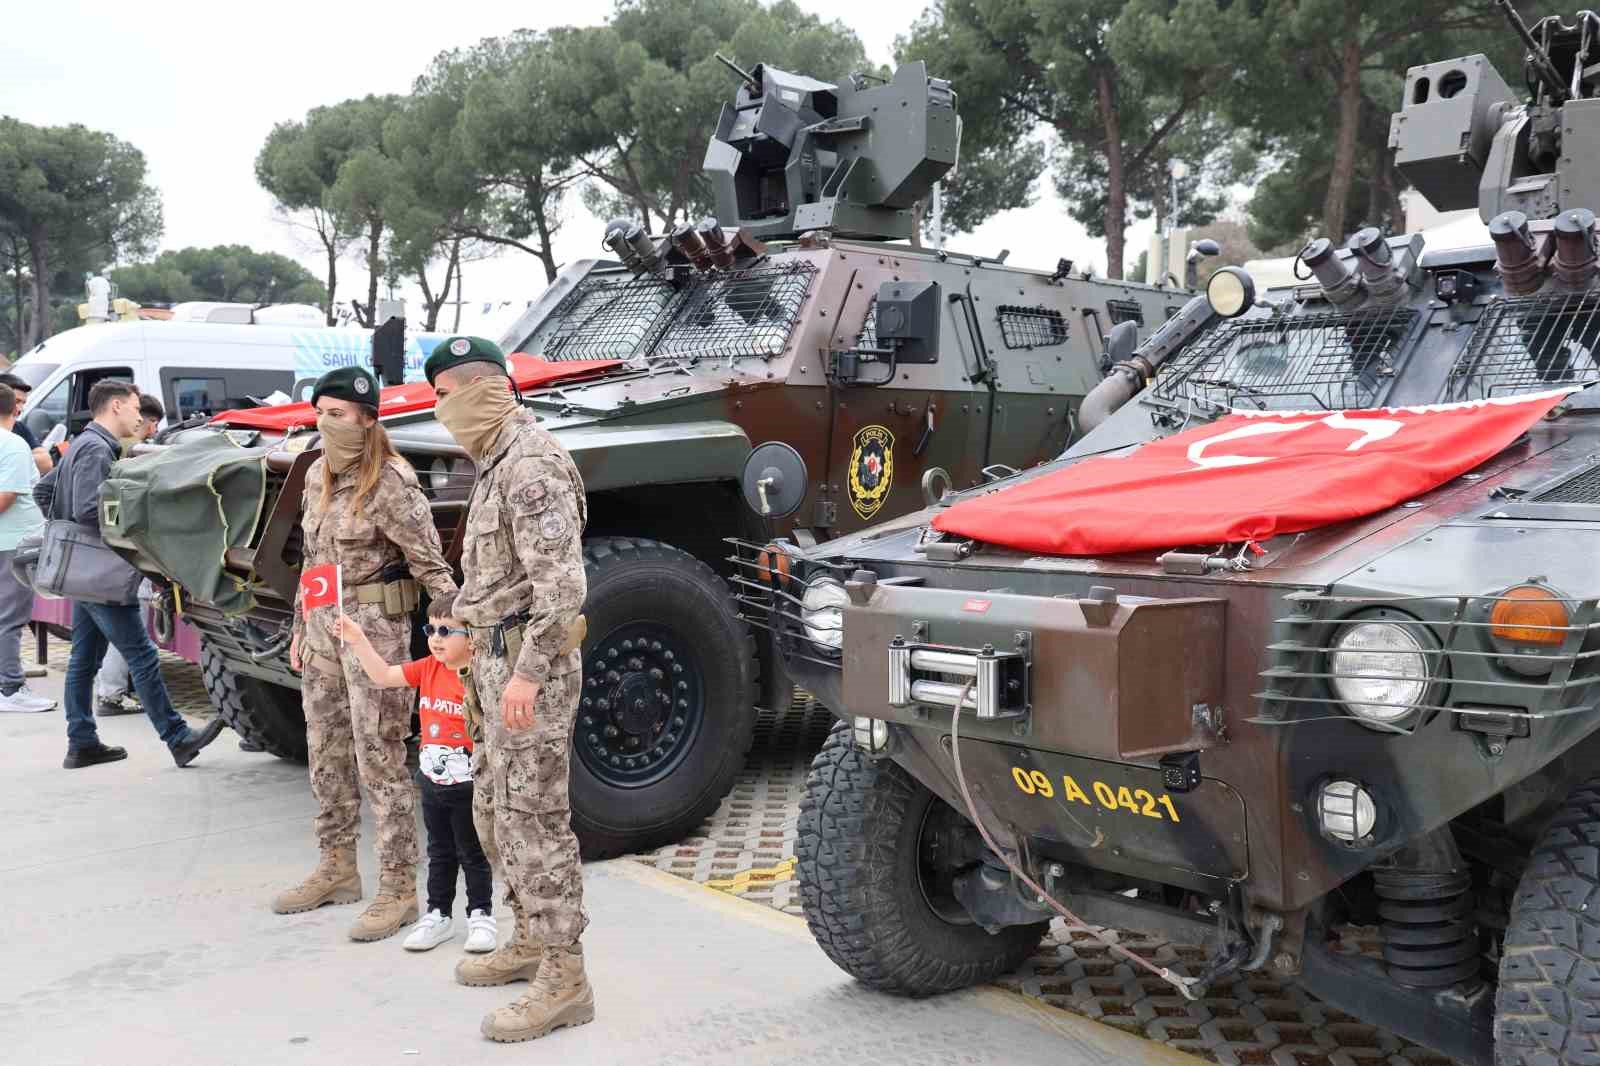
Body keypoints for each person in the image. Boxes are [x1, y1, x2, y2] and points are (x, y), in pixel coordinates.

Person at [427, 336, 593, 1044]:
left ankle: (565, 977)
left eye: (444, 395)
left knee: (534, 821)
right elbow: (501, 579)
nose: (440, 410)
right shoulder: (496, 460)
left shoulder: (531, 465)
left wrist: (526, 673)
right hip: (494, 664)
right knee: (496, 812)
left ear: (480, 389)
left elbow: (562, 588)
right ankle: (528, 938)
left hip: (532, 672)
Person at [270, 365, 457, 943]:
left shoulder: (392, 481)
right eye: (318, 414)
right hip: (323, 629)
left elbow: (430, 565)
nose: (324, 424)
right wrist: (301, 624)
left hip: (376, 633)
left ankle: (399, 887)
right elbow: (313, 558)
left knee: (380, 756)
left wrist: (455, 639)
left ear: (366, 419)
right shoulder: (317, 473)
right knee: (326, 751)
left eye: (336, 415)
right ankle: (337, 868)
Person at [34, 379, 226, 770]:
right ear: (117, 406)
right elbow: (90, 510)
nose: (140, 417)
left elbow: (44, 493)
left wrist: (68, 538)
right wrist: (138, 522)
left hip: (84, 574)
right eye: (136, 408)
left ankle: (82, 742)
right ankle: (177, 738)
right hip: (101, 576)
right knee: (141, 656)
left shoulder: (84, 442)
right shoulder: (96, 449)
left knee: (83, 660)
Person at [335, 601, 497, 955]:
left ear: (472, 637)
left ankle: (481, 915)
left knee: (473, 853)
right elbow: (382, 676)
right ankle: (438, 915)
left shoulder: (481, 675)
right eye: (430, 629)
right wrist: (358, 639)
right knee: (439, 852)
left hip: (469, 786)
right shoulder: (428, 668)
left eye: (445, 631)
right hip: (431, 783)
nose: (435, 639)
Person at [93, 393, 166, 718]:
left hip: (109, 557)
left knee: (93, 643)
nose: (148, 426)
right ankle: (112, 694)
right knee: (134, 640)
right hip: (128, 556)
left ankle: (103, 697)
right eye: (141, 415)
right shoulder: (129, 451)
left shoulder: (105, 445)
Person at [0, 384, 54, 713]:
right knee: (10, 618)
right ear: (15, 409)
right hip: (14, 543)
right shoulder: (13, 444)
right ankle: (10, 688)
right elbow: (6, 497)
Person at [0, 373, 53, 475]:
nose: (20, 409)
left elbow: (46, 463)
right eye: (17, 401)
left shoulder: (19, 428)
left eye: (23, 403)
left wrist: (12, 456)